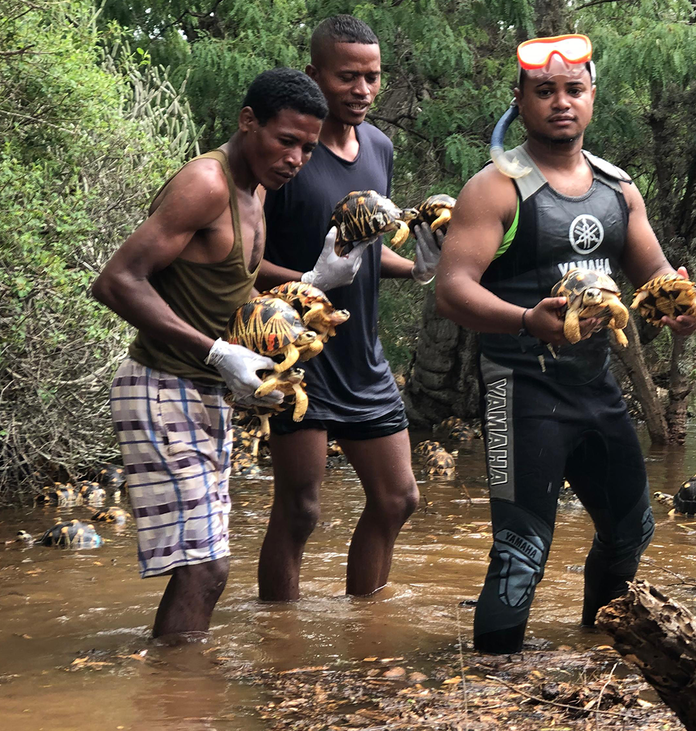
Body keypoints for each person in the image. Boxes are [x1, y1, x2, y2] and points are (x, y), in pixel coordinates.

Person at [435, 33, 696, 654]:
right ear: (520, 101)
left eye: (573, 90)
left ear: (592, 97)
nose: (561, 102)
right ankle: (491, 688)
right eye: (545, 91)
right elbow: (451, 291)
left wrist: (677, 309)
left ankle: (595, 646)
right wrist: (530, 320)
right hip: (518, 388)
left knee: (632, 529)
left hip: (593, 386)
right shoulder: (496, 188)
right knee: (522, 551)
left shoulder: (617, 189)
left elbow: (656, 278)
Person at [91, 68, 329, 638]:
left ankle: (174, 687)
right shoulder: (208, 184)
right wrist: (219, 352)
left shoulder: (258, 189)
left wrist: (312, 281)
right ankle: (180, 705)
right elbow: (117, 281)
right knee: (207, 567)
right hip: (160, 387)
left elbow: (232, 286)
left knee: (207, 563)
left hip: (204, 391)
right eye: (286, 140)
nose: (296, 158)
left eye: (308, 148)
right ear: (249, 122)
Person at [255, 15, 441, 600]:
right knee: (301, 510)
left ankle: (366, 629)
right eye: (347, 77)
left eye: (373, 77)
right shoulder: (285, 152)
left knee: (397, 498)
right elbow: (241, 260)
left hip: (363, 354)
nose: (362, 90)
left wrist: (420, 267)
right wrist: (311, 279)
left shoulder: (380, 148)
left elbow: (365, 250)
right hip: (297, 352)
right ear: (314, 75)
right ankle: (278, 645)